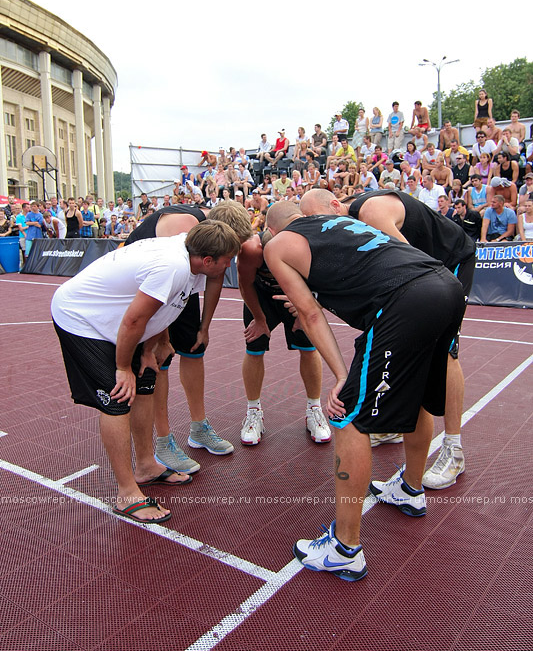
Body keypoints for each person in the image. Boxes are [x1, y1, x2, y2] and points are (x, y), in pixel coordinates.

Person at [264, 201, 465, 581]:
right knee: (418, 393)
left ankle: (344, 548)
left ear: (273, 231)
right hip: (445, 284)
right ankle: (409, 489)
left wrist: (341, 374)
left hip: (405, 299)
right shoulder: (339, 223)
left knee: (349, 417)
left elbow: (308, 314)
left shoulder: (278, 246)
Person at [52, 221, 241, 524]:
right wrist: (123, 367)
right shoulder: (173, 267)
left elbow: (163, 310)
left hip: (120, 325)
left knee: (145, 383)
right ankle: (127, 493)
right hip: (82, 319)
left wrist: (149, 349)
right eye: (227, 259)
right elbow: (134, 320)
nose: (230, 264)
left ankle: (146, 465)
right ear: (208, 261)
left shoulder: (192, 255)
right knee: (118, 397)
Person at [300, 188, 475, 488]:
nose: (318, 230)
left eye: (317, 220)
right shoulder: (352, 221)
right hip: (426, 269)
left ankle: (453, 448)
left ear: (335, 205)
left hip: (448, 261)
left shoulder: (370, 213)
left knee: (444, 352)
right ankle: (398, 426)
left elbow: (411, 270)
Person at [124, 202, 253, 473]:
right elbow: (162, 298)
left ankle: (199, 428)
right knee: (160, 358)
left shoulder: (210, 244)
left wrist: (204, 326)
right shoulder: (181, 235)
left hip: (176, 280)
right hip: (148, 284)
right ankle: (162, 441)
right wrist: (161, 338)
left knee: (195, 347)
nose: (229, 260)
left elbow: (215, 278)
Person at [237, 227, 330, 446]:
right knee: (254, 348)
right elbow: (244, 284)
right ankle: (253, 412)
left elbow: (326, 286)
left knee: (309, 348)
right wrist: (259, 319)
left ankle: (314, 409)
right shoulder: (251, 249)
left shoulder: (308, 246)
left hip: (296, 295)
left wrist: (308, 310)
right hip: (261, 297)